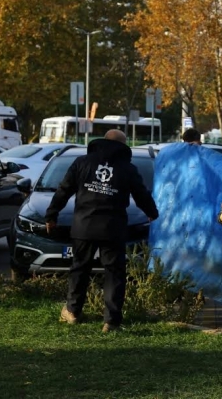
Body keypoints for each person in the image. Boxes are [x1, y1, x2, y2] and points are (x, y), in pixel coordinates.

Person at [45, 129, 159, 333]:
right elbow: (141, 194)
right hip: (112, 228)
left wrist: (51, 215)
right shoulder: (127, 168)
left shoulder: (82, 163)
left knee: (80, 268)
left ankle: (72, 312)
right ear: (124, 147)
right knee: (114, 273)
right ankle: (111, 321)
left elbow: (64, 190)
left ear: (102, 141)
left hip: (84, 225)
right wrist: (152, 213)